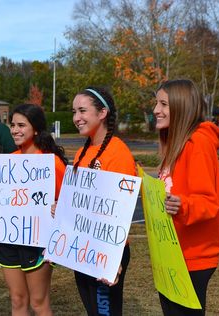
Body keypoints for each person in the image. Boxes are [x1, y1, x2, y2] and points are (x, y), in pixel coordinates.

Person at [0, 103, 67, 315]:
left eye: (21, 125)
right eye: (12, 124)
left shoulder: (51, 162)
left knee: (38, 302)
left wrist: (58, 208)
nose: (15, 130)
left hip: (38, 242)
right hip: (9, 239)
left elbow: (69, 202)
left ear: (35, 129)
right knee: (17, 300)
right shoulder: (8, 161)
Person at [153, 79, 219, 316]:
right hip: (172, 254)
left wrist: (183, 205)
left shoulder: (199, 143)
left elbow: (208, 202)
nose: (156, 110)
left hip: (192, 256)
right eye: (156, 103)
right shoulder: (174, 143)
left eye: (163, 104)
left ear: (181, 106)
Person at [71, 86, 135, 315]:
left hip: (106, 250)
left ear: (102, 113)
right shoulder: (82, 153)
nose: (76, 118)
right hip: (83, 248)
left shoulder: (118, 154)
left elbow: (121, 213)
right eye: (74, 112)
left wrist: (114, 259)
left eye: (82, 111)